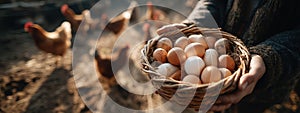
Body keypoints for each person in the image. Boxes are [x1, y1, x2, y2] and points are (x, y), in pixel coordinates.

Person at [157, 0, 300, 112]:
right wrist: (196, 24)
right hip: (222, 51)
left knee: (251, 107)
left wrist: (268, 57)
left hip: (269, 80)